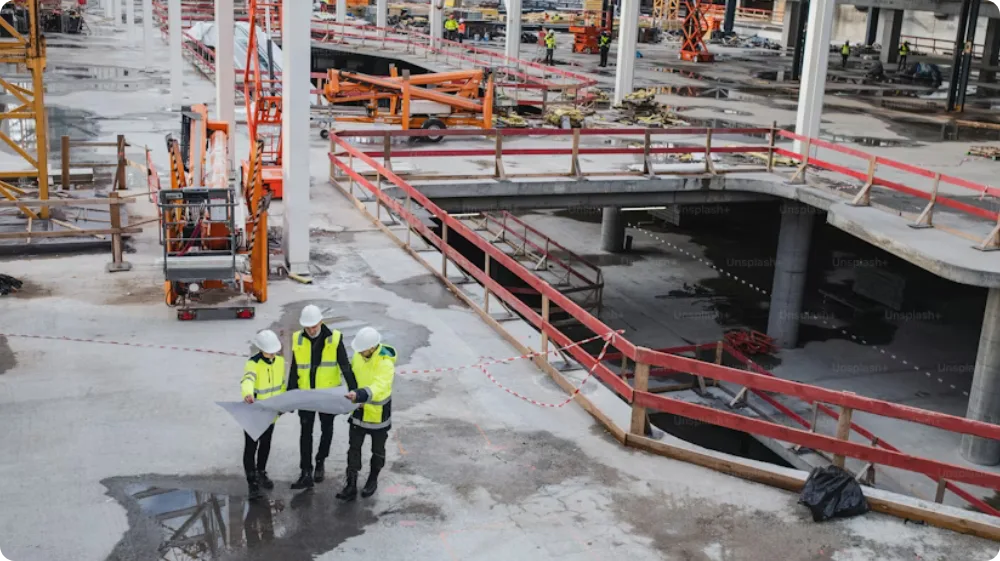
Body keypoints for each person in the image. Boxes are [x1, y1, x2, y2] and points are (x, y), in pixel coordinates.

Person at [288, 304, 356, 490]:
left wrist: (355, 391)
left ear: (320, 322)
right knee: (305, 433)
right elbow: (295, 368)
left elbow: (345, 366)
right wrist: (290, 394)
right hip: (305, 394)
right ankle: (305, 471)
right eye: (307, 327)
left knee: (327, 430)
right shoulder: (298, 339)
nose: (311, 330)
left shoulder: (334, 339)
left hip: (327, 394)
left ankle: (320, 461)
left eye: (314, 326)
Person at [336, 327, 396, 501]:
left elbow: (380, 386)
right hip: (358, 411)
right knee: (353, 448)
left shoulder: (385, 362)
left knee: (377, 450)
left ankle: (372, 480)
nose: (360, 352)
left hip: (378, 415)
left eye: (363, 349)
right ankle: (351, 484)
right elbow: (352, 376)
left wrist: (360, 395)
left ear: (372, 347)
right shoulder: (358, 356)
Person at [241, 330, 286, 501]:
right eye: (269, 350)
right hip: (254, 413)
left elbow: (281, 385)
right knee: (251, 447)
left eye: (274, 350)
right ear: (260, 349)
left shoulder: (280, 362)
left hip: (271, 414)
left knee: (266, 444)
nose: (272, 353)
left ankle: (261, 472)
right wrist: (247, 394)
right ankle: (252, 481)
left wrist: (282, 404)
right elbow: (247, 380)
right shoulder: (253, 364)